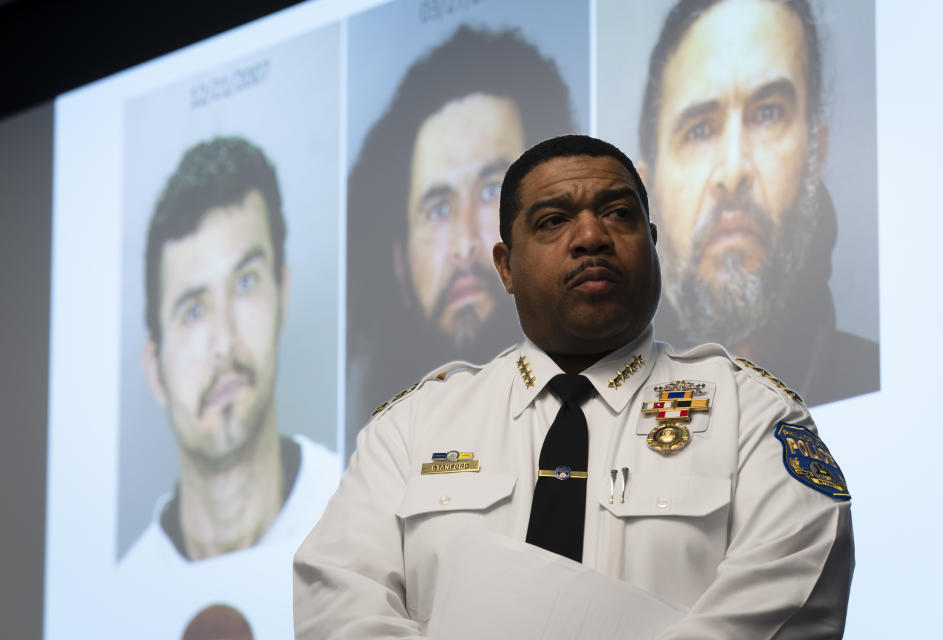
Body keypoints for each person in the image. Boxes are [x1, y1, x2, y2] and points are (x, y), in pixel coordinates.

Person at [294, 135, 853, 638]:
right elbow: (340, 605)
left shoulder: (751, 414)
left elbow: (791, 593)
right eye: (553, 220)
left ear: (653, 243)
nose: (592, 236)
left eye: (618, 214)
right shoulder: (411, 430)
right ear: (505, 266)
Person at [119, 136, 339, 638]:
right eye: (192, 310)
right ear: (154, 368)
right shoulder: (117, 601)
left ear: (282, 294)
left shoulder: (359, 510)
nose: (224, 341)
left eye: (245, 283)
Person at [346, 25, 577, 455]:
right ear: (399, 263)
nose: (464, 244)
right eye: (438, 209)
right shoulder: (377, 459)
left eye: (493, 190)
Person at [638, 0, 879, 406]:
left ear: (816, 154)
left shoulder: (874, 383)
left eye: (768, 113)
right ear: (646, 192)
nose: (733, 170)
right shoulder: (599, 425)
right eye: (699, 130)